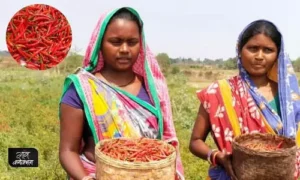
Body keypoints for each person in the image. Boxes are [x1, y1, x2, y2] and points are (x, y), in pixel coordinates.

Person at [58, 7, 184, 180]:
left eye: (132, 42)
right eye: (116, 42)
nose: (124, 49)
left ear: (141, 44)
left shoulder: (154, 89)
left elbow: (167, 142)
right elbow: (67, 150)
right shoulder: (82, 88)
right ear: (100, 44)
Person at [189, 19, 300, 180]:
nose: (259, 56)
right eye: (253, 48)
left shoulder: (290, 99)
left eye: (268, 50)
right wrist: (218, 157)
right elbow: (195, 141)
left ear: (278, 55)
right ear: (240, 50)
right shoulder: (218, 92)